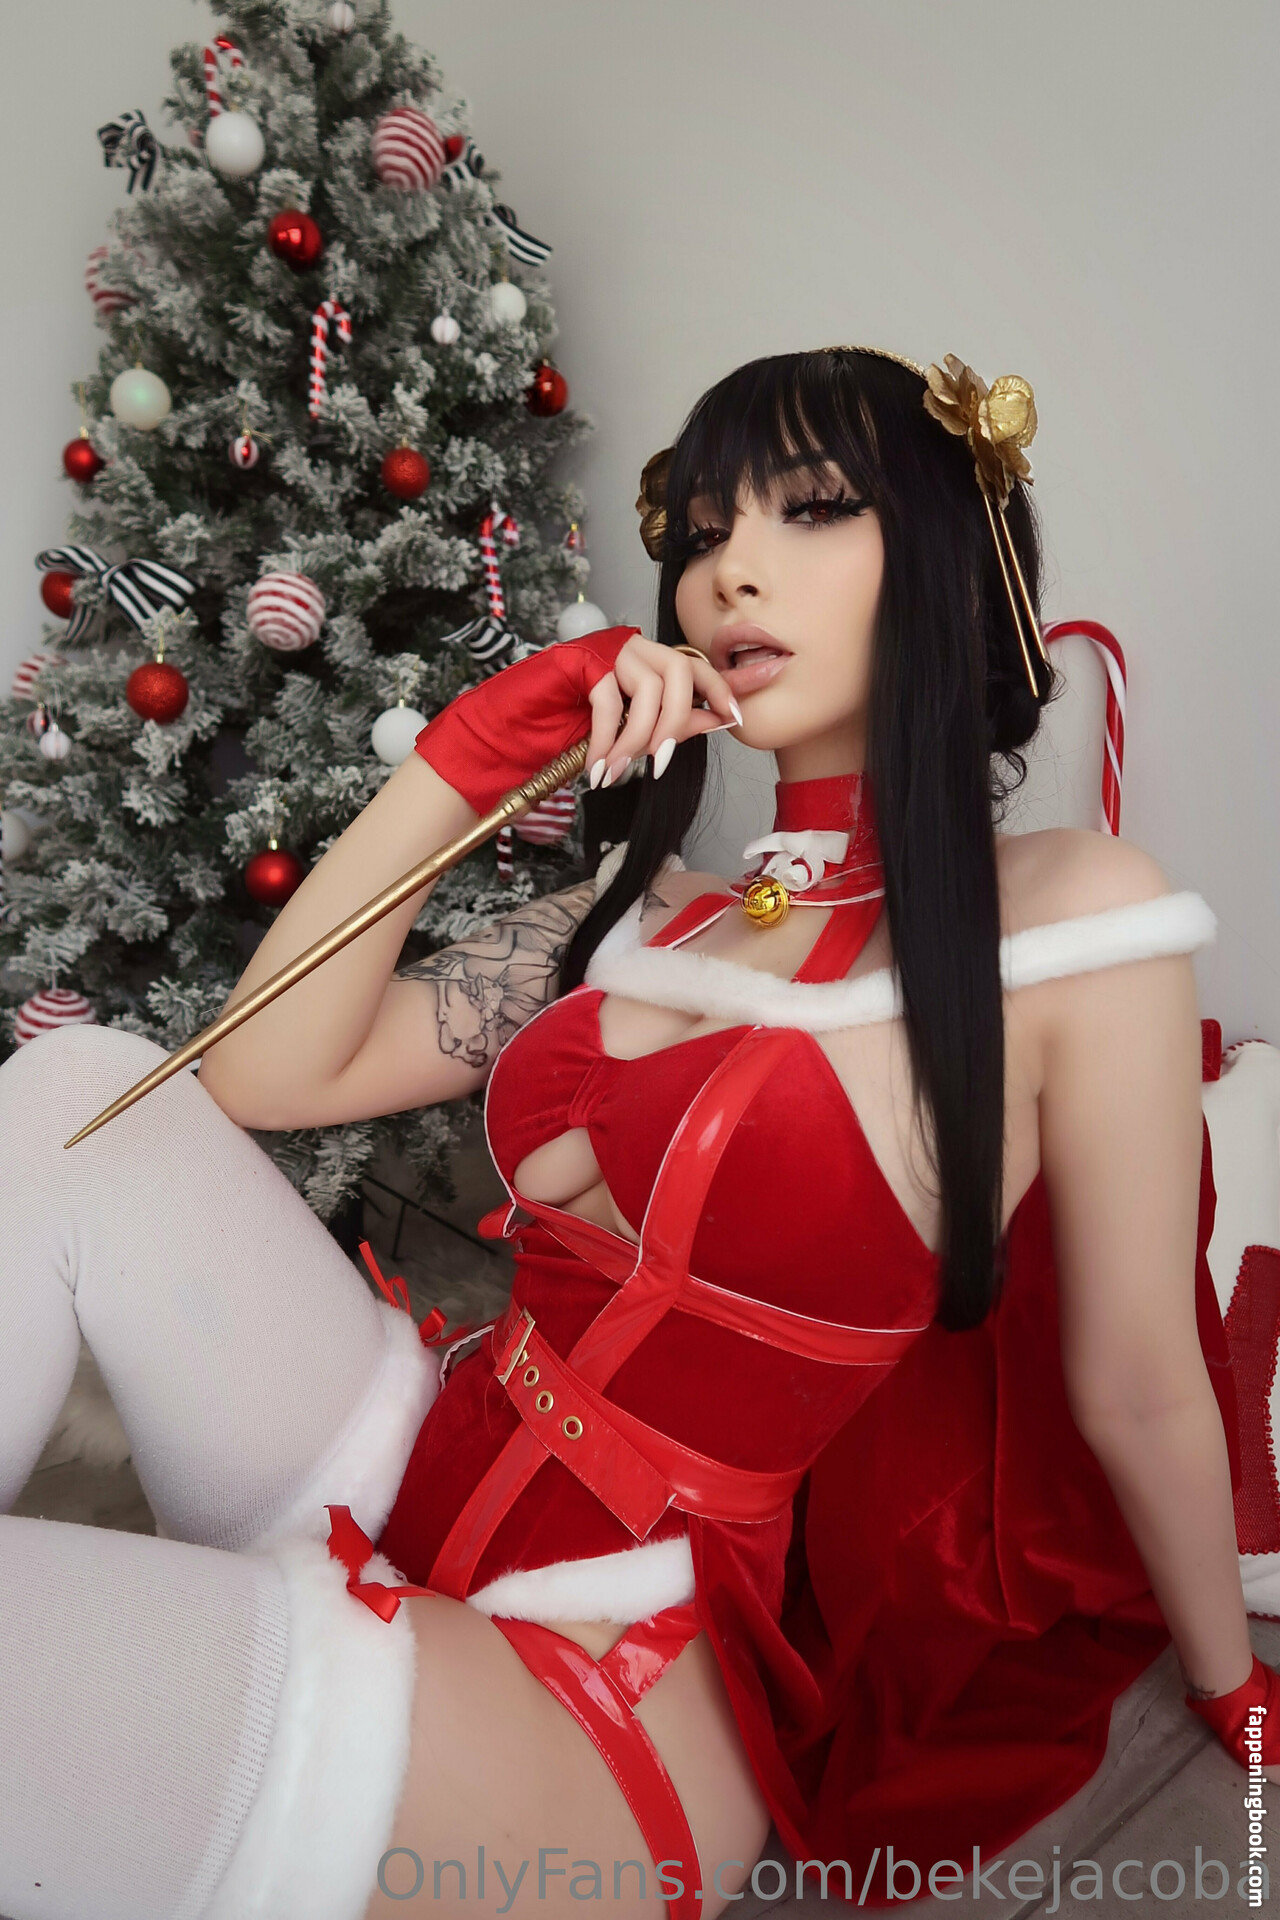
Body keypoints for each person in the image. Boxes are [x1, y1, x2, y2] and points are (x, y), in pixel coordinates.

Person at [0, 346, 1270, 1920]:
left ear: (952, 560)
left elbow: (1140, 1382)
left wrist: (1230, 1684)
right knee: (77, 1090)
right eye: (707, 530)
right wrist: (469, 753)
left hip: (608, 1665)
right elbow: (259, 1072)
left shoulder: (1070, 920)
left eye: (815, 509)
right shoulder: (642, 916)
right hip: (421, 1460)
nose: (731, 568)